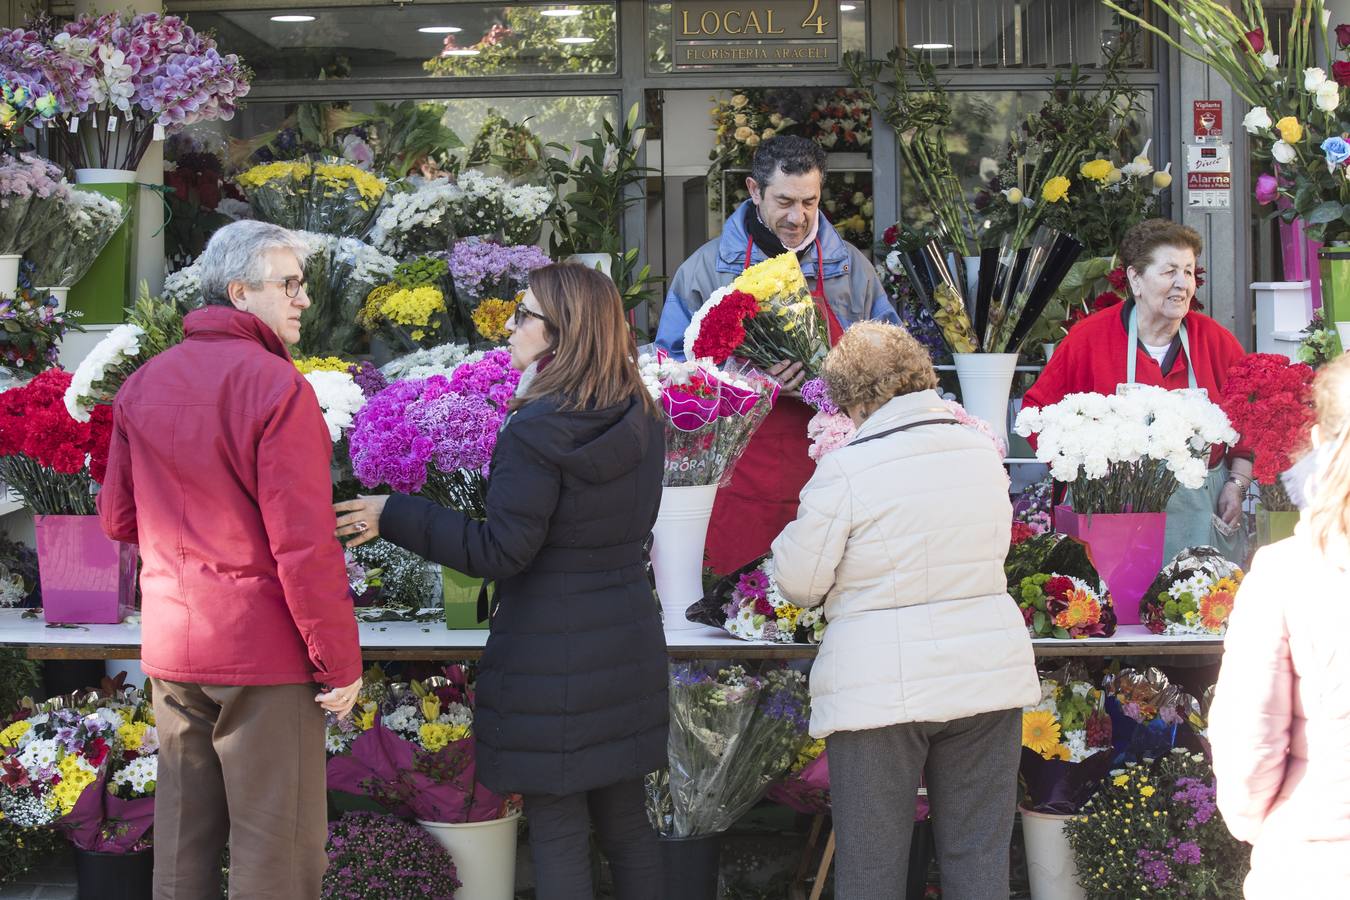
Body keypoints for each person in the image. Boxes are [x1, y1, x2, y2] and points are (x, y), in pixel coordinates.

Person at [333, 264, 668, 900]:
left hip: (550, 653)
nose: (510, 325)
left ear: (561, 332)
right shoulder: (642, 416)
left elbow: (501, 551)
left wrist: (396, 512)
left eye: (524, 314)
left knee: (560, 830)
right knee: (628, 825)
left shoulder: (536, 429)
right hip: (627, 642)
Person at [97, 221, 363, 899]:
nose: (303, 299)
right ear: (239, 291)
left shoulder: (144, 382)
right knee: (276, 857)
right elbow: (303, 547)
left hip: (173, 645)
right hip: (263, 657)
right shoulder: (276, 387)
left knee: (183, 848)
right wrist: (339, 663)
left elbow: (118, 520)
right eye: (289, 284)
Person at [771, 322, 1040, 900]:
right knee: (979, 858)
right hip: (986, 676)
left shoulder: (847, 467)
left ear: (858, 398)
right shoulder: (983, 451)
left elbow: (798, 582)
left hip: (878, 691)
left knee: (872, 868)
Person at [656, 134, 900, 573]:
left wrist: (834, 382)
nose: (798, 216)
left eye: (810, 202)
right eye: (784, 201)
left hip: (834, 469)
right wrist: (749, 383)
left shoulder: (852, 269)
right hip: (740, 469)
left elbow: (894, 365)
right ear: (754, 190)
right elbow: (670, 370)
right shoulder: (706, 268)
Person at [1020, 218, 1252, 563]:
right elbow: (1036, 413)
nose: (1182, 284)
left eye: (1188, 272)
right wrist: (1084, 473)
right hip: (1112, 518)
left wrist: (1237, 484)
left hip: (1200, 517)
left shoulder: (1214, 340)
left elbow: (1248, 423)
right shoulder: (1090, 339)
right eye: (1169, 271)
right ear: (1135, 279)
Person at [1209, 352, 1350, 898]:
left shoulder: (1287, 572)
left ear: (1318, 440)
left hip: (1320, 857)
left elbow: (1250, 739)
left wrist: (1252, 823)